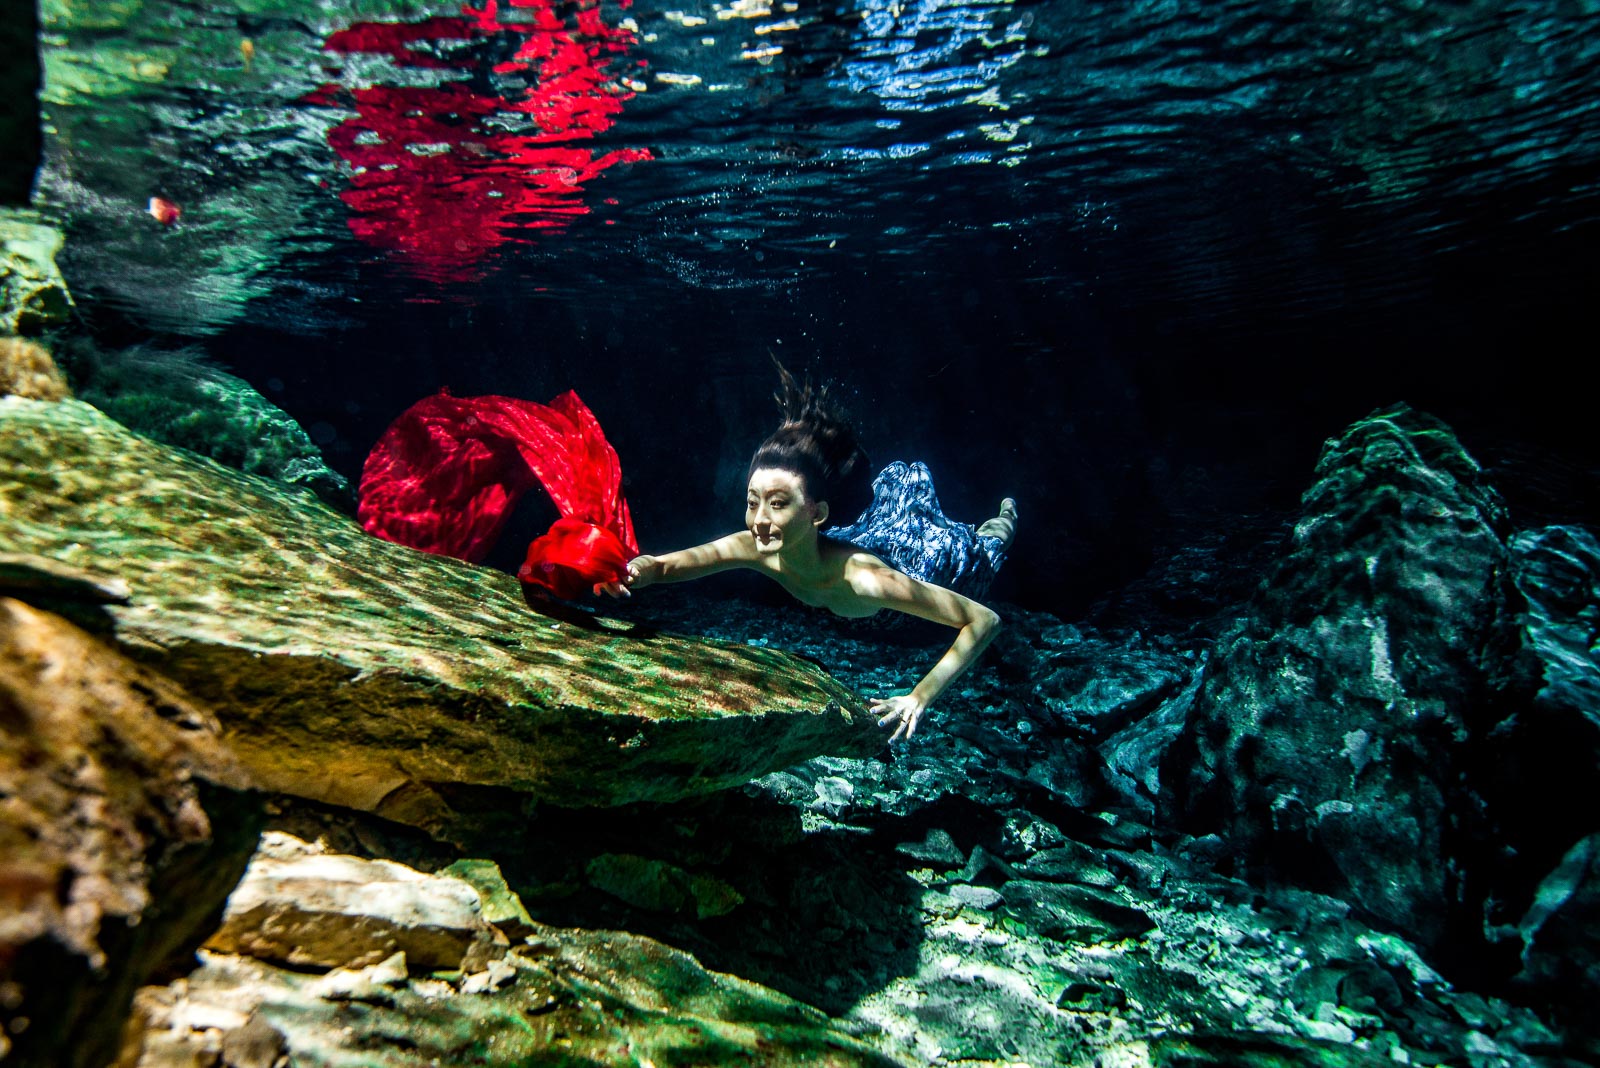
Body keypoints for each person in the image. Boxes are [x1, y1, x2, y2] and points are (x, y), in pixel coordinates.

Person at [601, 363, 1017, 743]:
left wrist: (918, 697)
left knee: (985, 547)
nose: (759, 520)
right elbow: (672, 564)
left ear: (816, 513)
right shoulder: (760, 547)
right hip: (868, 534)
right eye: (752, 501)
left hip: (933, 564)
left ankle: (1007, 513)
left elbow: (984, 619)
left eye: (778, 503)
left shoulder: (866, 581)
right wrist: (637, 570)